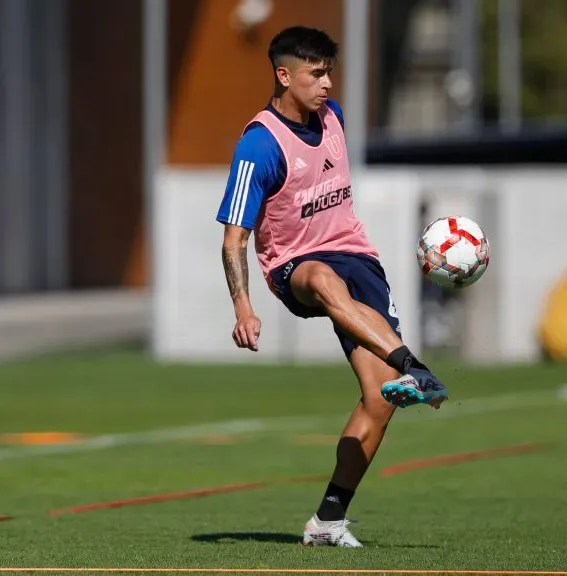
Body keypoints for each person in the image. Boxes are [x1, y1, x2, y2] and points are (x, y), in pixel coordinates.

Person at [215, 26, 448, 548]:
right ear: (283, 75)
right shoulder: (259, 145)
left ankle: (328, 520)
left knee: (379, 399)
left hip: (357, 258)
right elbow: (234, 240)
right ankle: (415, 364)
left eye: (329, 72)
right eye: (315, 73)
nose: (326, 83)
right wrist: (243, 306)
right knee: (321, 278)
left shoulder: (334, 117)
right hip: (295, 266)